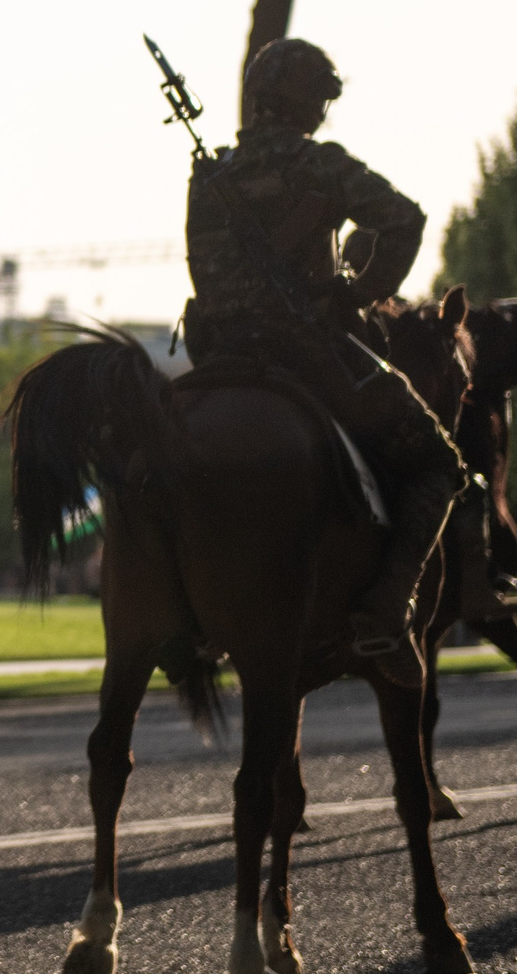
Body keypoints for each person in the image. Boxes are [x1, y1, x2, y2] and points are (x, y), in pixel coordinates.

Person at [180, 37, 488, 690]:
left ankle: (188, 614)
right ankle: (388, 607)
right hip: (305, 351)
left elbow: (204, 268)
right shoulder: (319, 164)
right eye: (320, 100)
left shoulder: (210, 176)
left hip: (218, 352)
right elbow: (405, 218)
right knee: (438, 462)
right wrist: (358, 293)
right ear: (305, 103)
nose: (323, 113)